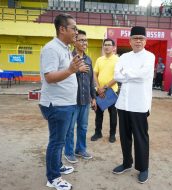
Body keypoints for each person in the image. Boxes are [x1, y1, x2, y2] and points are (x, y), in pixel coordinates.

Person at [39, 14, 82, 190]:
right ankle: (53, 177)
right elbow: (49, 77)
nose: (76, 32)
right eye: (74, 28)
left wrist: (72, 69)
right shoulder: (51, 49)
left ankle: (57, 166)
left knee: (60, 140)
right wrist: (71, 70)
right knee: (56, 142)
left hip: (66, 103)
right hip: (57, 105)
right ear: (62, 29)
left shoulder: (65, 48)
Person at [112, 26, 155, 184]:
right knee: (124, 136)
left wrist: (126, 73)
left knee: (140, 137)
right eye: (135, 38)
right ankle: (126, 162)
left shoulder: (150, 56)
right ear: (129, 41)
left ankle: (143, 168)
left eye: (141, 38)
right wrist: (129, 74)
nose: (138, 41)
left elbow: (142, 75)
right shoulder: (123, 57)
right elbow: (117, 75)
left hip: (139, 104)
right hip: (123, 103)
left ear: (145, 41)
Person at [64, 30, 97, 164]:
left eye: (86, 40)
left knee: (83, 126)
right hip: (72, 100)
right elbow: (64, 76)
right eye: (81, 40)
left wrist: (93, 97)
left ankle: (81, 149)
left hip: (85, 100)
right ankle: (69, 152)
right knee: (70, 128)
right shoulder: (68, 57)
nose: (84, 43)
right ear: (75, 42)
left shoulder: (88, 59)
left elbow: (90, 80)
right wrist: (78, 70)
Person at [91, 38, 118, 143]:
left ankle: (112, 134)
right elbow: (95, 74)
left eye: (109, 45)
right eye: (105, 45)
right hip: (100, 92)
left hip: (112, 92)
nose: (107, 46)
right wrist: (98, 88)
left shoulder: (117, 60)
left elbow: (117, 77)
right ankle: (98, 132)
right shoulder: (99, 60)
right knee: (98, 114)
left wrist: (105, 88)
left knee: (113, 116)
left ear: (113, 47)